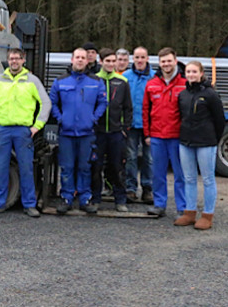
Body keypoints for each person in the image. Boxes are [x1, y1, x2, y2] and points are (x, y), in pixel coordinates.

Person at [0, 48, 51, 218]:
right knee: (1, 167)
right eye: (11, 59)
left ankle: (29, 205)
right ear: (8, 60)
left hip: (23, 131)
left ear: (23, 60)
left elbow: (46, 103)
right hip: (2, 130)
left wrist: (37, 126)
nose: (14, 61)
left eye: (17, 59)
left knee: (26, 168)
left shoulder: (32, 81)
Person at [50, 48, 107, 214]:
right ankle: (66, 198)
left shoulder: (96, 81)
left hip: (87, 133)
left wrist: (93, 118)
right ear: (72, 59)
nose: (80, 60)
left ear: (87, 61)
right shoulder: (60, 81)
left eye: (83, 58)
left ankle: (84, 198)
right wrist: (60, 118)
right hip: (66, 133)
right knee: (67, 167)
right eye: (78, 57)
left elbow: (103, 102)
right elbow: (52, 103)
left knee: (85, 167)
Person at [175, 61, 225, 230]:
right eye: (188, 71)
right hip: (186, 142)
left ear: (201, 73)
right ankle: (189, 213)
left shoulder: (210, 94)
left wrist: (214, 139)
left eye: (194, 71)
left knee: (208, 179)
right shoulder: (183, 95)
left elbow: (220, 120)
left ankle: (207, 215)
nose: (191, 74)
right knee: (189, 178)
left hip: (205, 142)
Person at [143, 47, 187, 217]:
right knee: (158, 173)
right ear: (159, 63)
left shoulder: (184, 84)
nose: (166, 64)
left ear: (175, 61)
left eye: (169, 61)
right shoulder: (151, 84)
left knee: (180, 175)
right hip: (157, 136)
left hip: (177, 137)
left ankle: (182, 207)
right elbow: (146, 111)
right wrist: (147, 134)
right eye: (163, 62)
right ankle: (159, 204)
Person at [91, 49, 132, 212]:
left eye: (113, 61)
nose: (110, 64)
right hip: (97, 132)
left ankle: (120, 199)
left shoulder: (122, 81)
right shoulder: (94, 80)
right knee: (96, 166)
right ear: (101, 62)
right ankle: (95, 198)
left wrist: (124, 129)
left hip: (116, 132)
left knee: (117, 167)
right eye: (107, 61)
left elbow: (128, 108)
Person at [122, 47, 155, 203]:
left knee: (149, 158)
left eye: (142, 57)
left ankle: (147, 189)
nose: (140, 60)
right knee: (131, 157)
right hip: (131, 125)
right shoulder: (125, 77)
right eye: (137, 57)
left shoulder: (154, 77)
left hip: (150, 126)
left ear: (147, 58)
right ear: (132, 59)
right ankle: (130, 189)